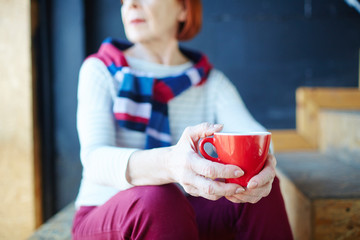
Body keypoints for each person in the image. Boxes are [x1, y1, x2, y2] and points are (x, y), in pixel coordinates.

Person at [72, 0, 293, 239]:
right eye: (124, 0)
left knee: (258, 191)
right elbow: (93, 160)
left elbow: (257, 138)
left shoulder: (210, 82)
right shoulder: (100, 69)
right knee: (160, 197)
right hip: (107, 212)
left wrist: (262, 169)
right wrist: (169, 165)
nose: (131, 5)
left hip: (179, 214)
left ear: (184, 9)